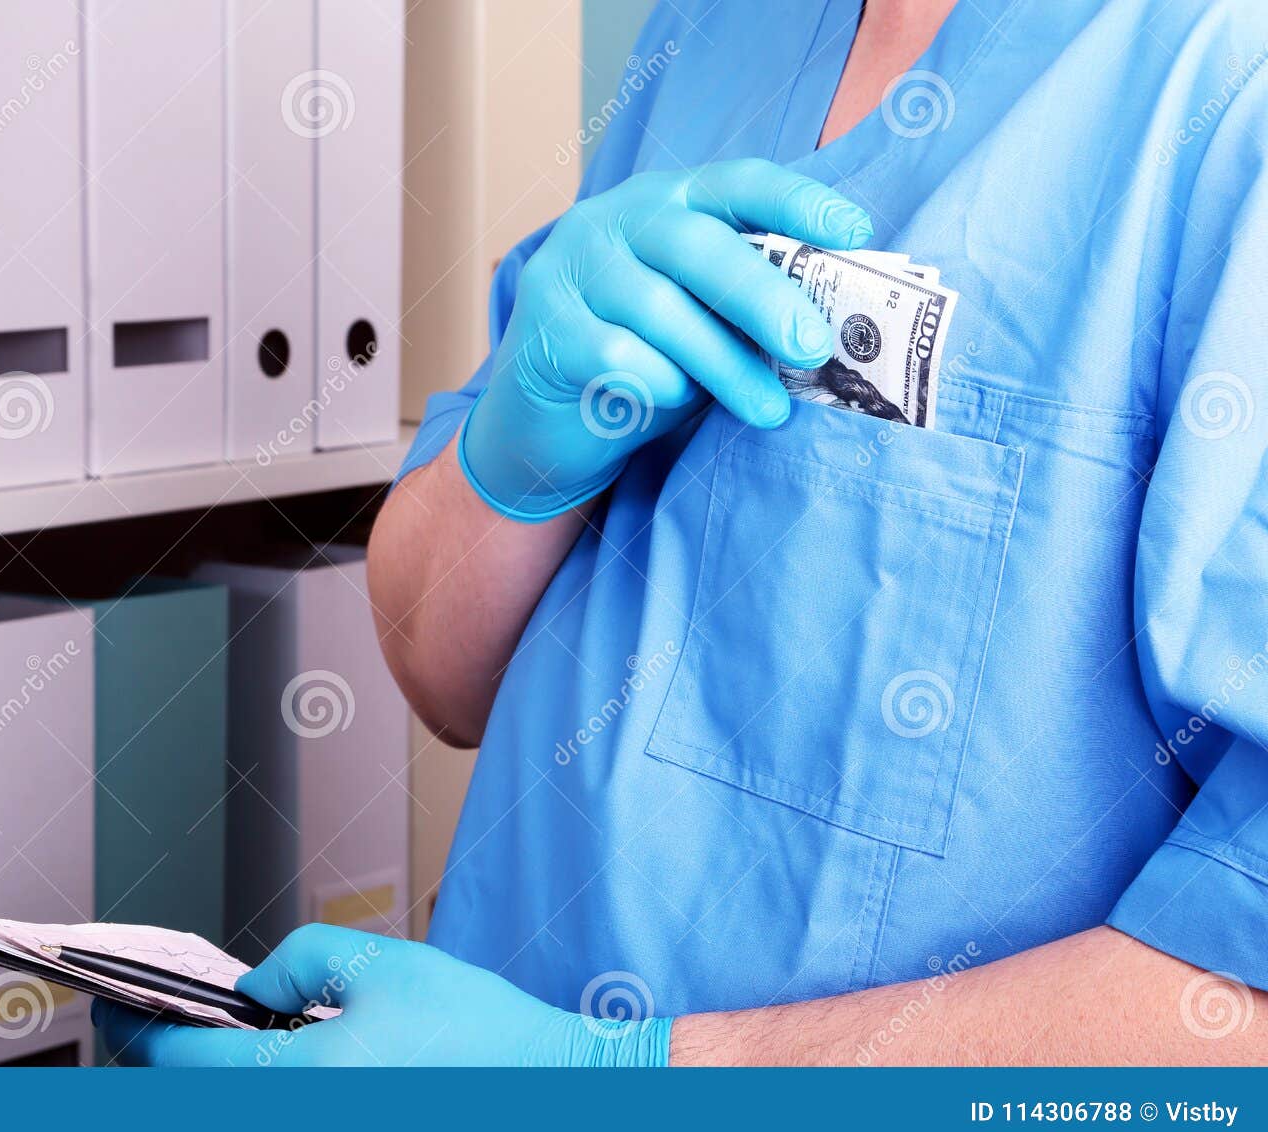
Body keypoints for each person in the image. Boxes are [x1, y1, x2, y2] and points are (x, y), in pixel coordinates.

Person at [99, 0, 1268, 1065]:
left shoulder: (1223, 84)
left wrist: (602, 1079)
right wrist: (511, 465)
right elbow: (440, 669)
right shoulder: (714, 35)